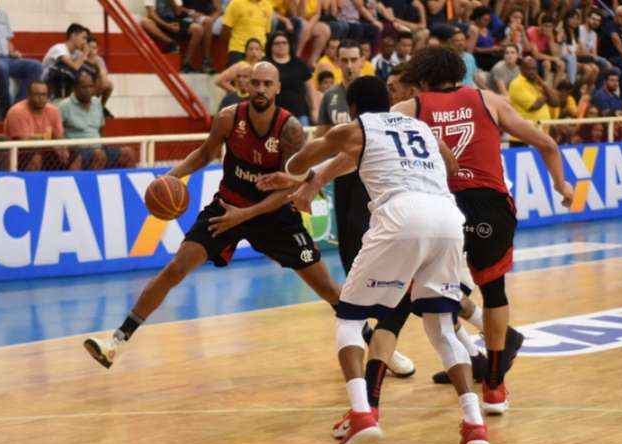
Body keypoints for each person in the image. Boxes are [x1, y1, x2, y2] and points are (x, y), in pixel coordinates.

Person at [263, 75, 491, 444]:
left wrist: (293, 160)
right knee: (440, 326)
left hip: (401, 216)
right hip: (447, 217)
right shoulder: (419, 127)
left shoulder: (353, 128)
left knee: (349, 318)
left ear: (351, 106)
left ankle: (361, 413)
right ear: (387, 102)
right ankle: (473, 424)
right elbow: (451, 166)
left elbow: (299, 161)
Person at [84, 62, 341, 368]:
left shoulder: (290, 130)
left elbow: (288, 188)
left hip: (273, 215)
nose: (260, 89)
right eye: (255, 83)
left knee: (325, 288)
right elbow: (205, 154)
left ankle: (374, 342)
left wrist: (245, 215)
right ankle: (116, 341)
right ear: (247, 85)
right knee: (176, 268)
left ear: (277, 88)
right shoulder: (229, 119)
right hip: (227, 206)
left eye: (266, 84)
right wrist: (170, 178)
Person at [394, 46, 574, 411]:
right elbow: (547, 143)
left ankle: (448, 362)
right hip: (490, 206)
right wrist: (562, 185)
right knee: (494, 292)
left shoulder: (407, 110)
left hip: (439, 207)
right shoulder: (488, 100)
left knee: (421, 294)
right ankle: (494, 385)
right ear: (459, 74)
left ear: (421, 78)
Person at [315, 38, 415, 378]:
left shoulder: (376, 90)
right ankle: (370, 334)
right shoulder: (331, 97)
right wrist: (311, 177)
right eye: (342, 59)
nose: (347, 64)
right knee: (346, 251)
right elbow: (323, 134)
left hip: (375, 177)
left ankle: (387, 335)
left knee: (367, 243)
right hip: (342, 177)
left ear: (363, 59)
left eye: (353, 58)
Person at [58, 73, 136, 170]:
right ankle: (92, 185)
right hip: (77, 150)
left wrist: (103, 144)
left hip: (99, 147)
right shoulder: (64, 106)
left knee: (128, 153)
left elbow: (101, 129)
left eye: (90, 86)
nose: (88, 90)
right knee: (99, 155)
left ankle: (126, 185)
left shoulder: (97, 103)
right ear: (75, 88)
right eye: (84, 87)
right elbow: (58, 132)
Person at [2, 80, 70, 171]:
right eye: (37, 94)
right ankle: (33, 183)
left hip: (46, 150)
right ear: (28, 95)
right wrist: (51, 146)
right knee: (35, 156)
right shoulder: (17, 111)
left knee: (74, 155)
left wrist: (63, 149)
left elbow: (59, 138)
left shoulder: (53, 111)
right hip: (20, 152)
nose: (41, 98)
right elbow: (24, 142)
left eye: (43, 95)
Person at [140, 0, 217, 73]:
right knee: (145, 22)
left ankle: (186, 63)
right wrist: (167, 25)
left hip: (173, 21)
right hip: (158, 21)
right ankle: (171, 42)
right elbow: (151, 14)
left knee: (198, 29)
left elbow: (178, 12)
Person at [267, 31, 318, 125]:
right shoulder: (266, 65)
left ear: (289, 45)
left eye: (284, 42)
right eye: (277, 43)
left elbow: (310, 88)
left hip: (300, 114)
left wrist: (315, 109)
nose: (281, 45)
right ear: (271, 46)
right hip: (273, 114)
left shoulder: (299, 64)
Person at [507, 56, 559, 147]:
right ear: (521, 69)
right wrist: (546, 95)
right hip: (522, 138)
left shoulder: (538, 83)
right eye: (528, 69)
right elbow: (534, 106)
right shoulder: (517, 84)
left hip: (541, 134)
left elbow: (555, 102)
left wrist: (543, 84)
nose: (532, 72)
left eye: (534, 69)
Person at [41, 23, 89, 98]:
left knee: (88, 73)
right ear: (73, 36)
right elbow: (75, 67)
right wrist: (85, 53)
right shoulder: (59, 48)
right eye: (83, 38)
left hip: (62, 83)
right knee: (69, 70)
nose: (85, 42)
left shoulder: (76, 53)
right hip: (46, 83)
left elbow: (88, 66)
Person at [219, 0, 273, 67]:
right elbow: (226, 29)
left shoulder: (267, 4)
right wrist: (232, 50)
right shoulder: (236, 3)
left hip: (260, 52)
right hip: (239, 50)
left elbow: (266, 32)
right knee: (238, 76)